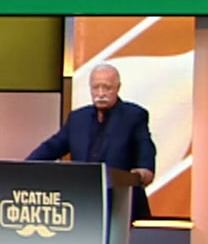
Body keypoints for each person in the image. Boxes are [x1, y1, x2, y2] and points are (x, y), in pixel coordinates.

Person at [28, 62, 158, 222]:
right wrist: (25, 167)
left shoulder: (134, 116)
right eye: (96, 87)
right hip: (84, 207)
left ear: (118, 88)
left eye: (107, 87)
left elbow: (145, 148)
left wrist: (144, 171)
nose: (100, 93)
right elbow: (52, 147)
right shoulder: (78, 118)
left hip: (123, 209)